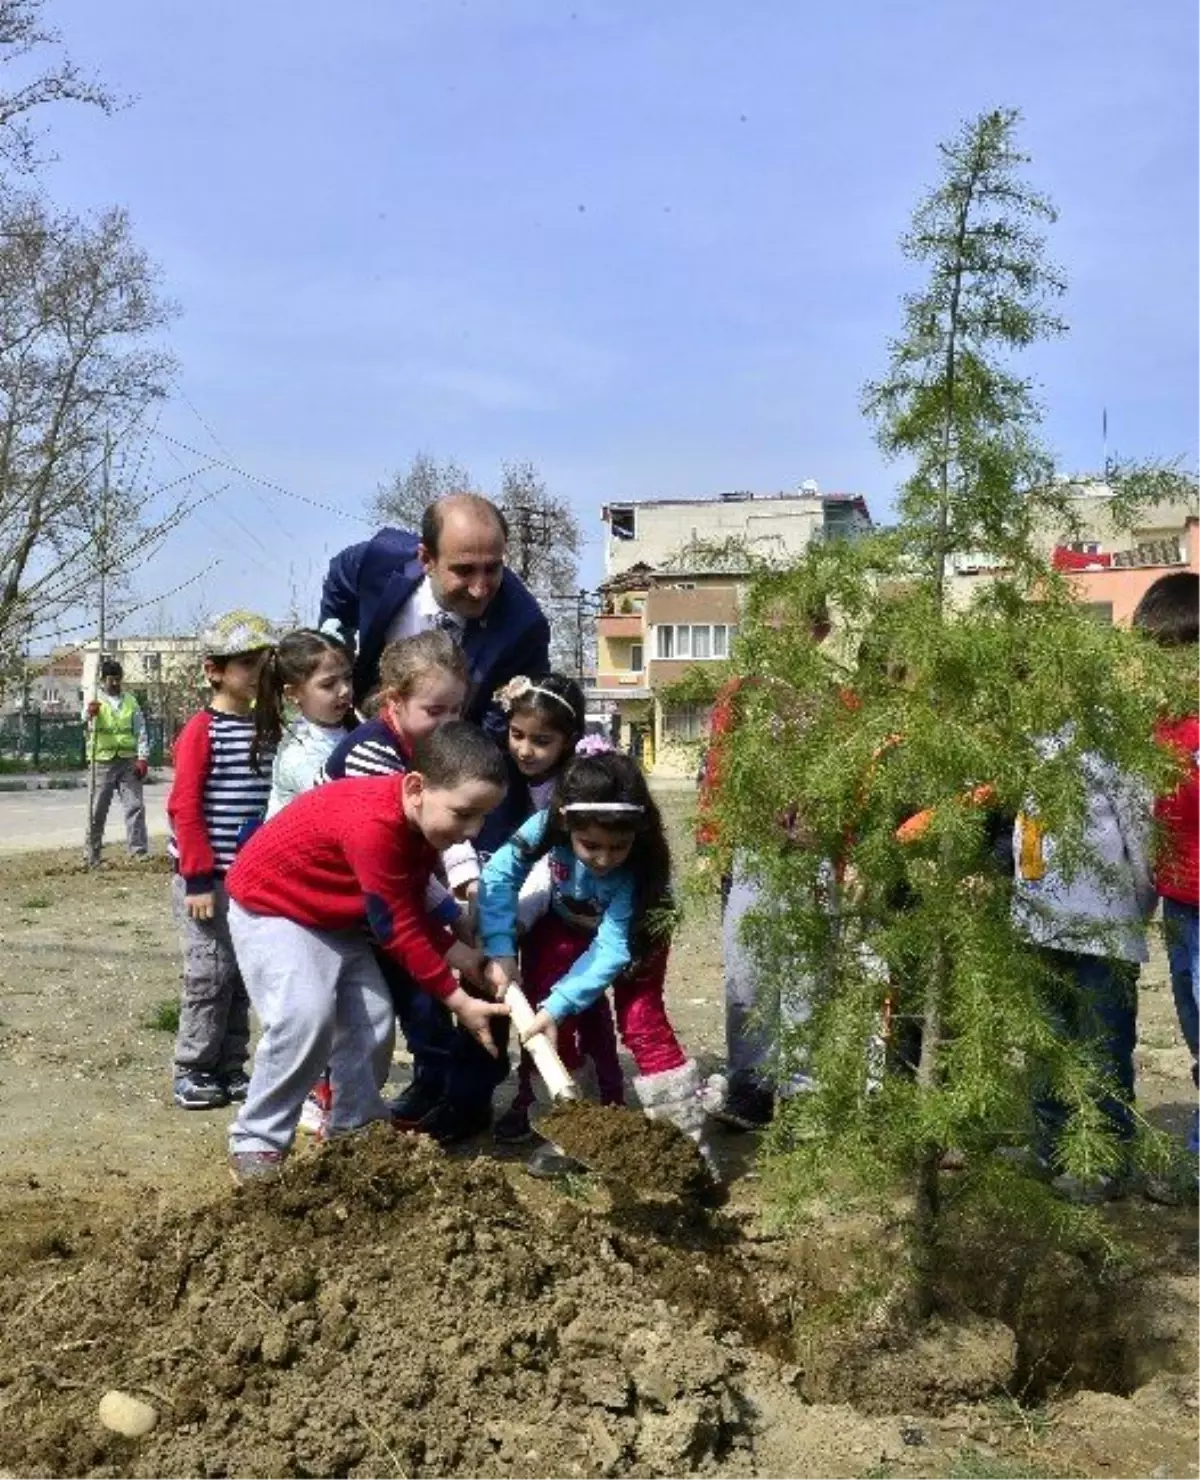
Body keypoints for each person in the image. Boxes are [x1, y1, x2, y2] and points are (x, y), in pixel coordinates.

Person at [224, 722, 509, 1182]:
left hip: (334, 917)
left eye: (482, 817)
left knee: (373, 1021)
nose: (471, 831)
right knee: (305, 1015)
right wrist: (456, 999)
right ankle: (257, 1140)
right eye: (463, 814)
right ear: (416, 787)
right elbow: (395, 926)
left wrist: (467, 960)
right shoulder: (374, 826)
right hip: (273, 907)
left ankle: (355, 1132)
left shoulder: (419, 826)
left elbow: (409, 905)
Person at [480, 749, 717, 1168]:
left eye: (617, 847)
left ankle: (686, 1148)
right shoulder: (545, 827)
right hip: (567, 919)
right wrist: (500, 947)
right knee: (549, 1020)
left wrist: (558, 1004)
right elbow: (498, 876)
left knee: (641, 1020)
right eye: (590, 845)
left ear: (637, 836)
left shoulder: (640, 872)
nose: (604, 859)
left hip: (637, 931)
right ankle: (572, 1131)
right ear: (566, 824)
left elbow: (613, 949)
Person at [319, 630, 504, 1144]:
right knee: (395, 1001)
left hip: (397, 891)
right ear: (394, 703)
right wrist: (449, 909)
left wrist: (457, 899)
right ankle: (349, 1111)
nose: (447, 724)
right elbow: (393, 864)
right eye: (434, 711)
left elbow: (444, 837)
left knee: (426, 987)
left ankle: (443, 1089)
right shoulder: (369, 757)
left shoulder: (427, 749)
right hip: (349, 901)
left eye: (456, 712)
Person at [1012, 732, 1156, 1200]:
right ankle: (1049, 1147)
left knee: (1103, 1045)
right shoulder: (1032, 733)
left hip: (1102, 926)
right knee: (1045, 1040)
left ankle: (1106, 1162)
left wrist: (1132, 911)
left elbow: (1142, 836)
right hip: (1038, 922)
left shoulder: (1114, 737)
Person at [482, 676, 625, 1148]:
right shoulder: (507, 779)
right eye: (517, 735)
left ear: (568, 739)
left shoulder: (577, 789)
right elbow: (507, 867)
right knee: (547, 1005)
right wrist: (508, 931)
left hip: (588, 915)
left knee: (587, 1010)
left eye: (542, 741)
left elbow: (552, 863)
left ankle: (608, 1099)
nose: (526, 750)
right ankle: (535, 1097)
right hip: (543, 916)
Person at [318, 492, 550, 732]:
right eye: (464, 570)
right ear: (427, 559)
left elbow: (498, 730)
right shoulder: (378, 561)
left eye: (492, 569)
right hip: (357, 729)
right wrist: (333, 640)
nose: (479, 589)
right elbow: (341, 576)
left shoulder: (523, 628)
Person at [167, 611, 276, 1111]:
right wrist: (197, 879)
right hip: (207, 879)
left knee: (241, 973)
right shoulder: (201, 731)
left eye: (262, 662)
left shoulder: (266, 728)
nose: (257, 672)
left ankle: (230, 1064)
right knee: (209, 973)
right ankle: (192, 1066)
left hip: (250, 878)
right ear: (215, 670)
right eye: (246, 663)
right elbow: (184, 807)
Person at [1133, 571, 1200, 1161]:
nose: (1173, 668)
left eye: (1184, 652)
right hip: (1179, 900)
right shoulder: (1156, 727)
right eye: (1160, 653)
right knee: (1193, 1025)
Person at [255, 629, 355, 819]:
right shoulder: (299, 754)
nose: (344, 690)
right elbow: (338, 810)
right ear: (293, 694)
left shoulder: (355, 724)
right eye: (328, 684)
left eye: (348, 678)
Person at [84, 659, 151, 867]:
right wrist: (89, 713)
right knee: (97, 811)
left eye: (118, 679)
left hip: (127, 761)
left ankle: (138, 852)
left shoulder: (130, 701)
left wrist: (142, 757)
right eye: (111, 679)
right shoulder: (95, 699)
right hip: (101, 761)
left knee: (135, 806)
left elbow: (140, 730)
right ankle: (91, 855)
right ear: (103, 680)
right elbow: (83, 720)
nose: (114, 683)